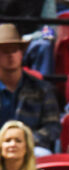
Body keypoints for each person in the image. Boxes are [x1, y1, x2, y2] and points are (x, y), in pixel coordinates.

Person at [0, 24, 59, 156]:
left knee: (43, 154)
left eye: (14, 50)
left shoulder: (43, 88)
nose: (11, 55)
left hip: (31, 148)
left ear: (21, 53)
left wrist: (25, 141)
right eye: (5, 51)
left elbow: (53, 127)